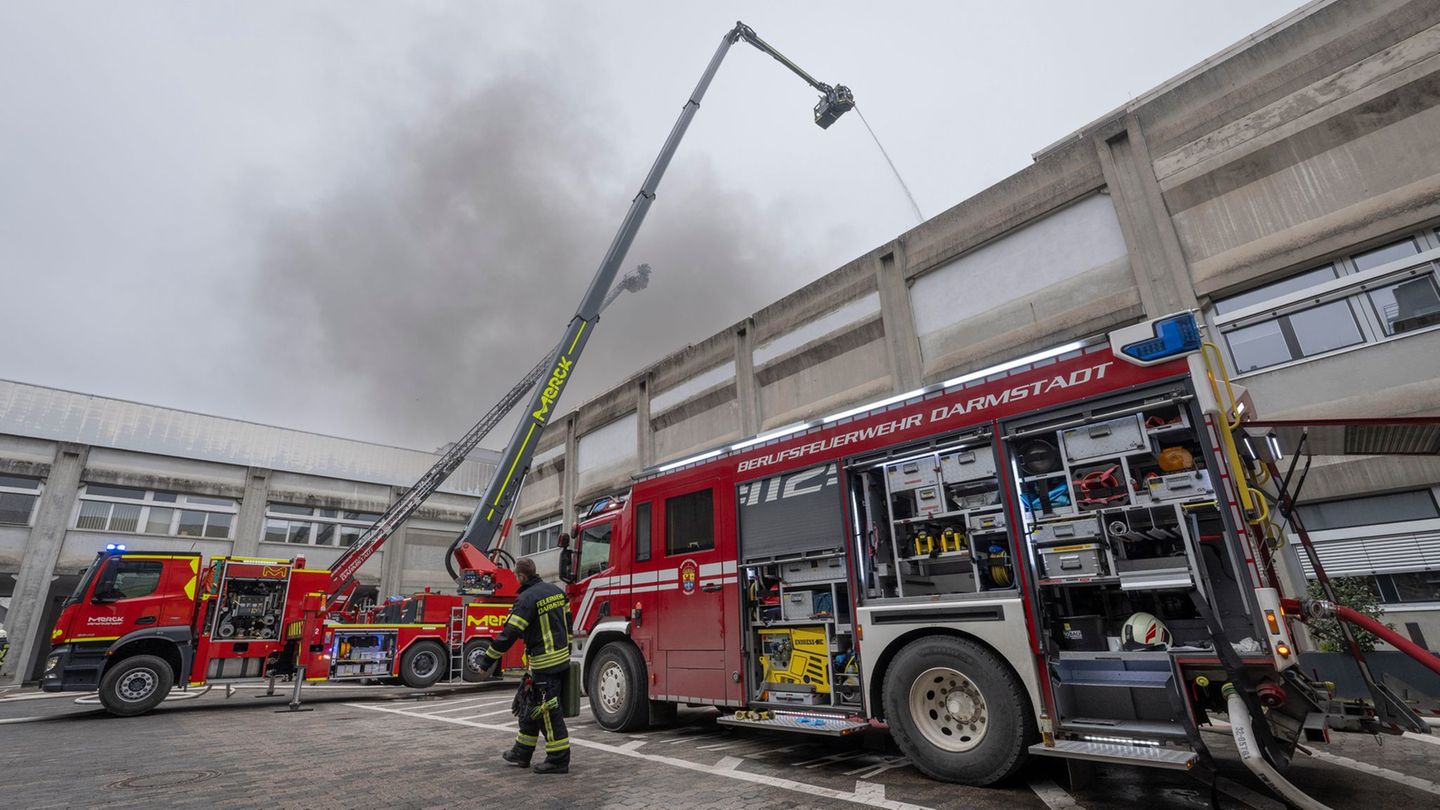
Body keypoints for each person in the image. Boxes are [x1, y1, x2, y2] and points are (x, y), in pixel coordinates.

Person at [480, 556, 573, 774]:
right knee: (529, 706)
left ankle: (558, 759)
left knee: (548, 712)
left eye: (516, 576)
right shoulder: (557, 592)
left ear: (521, 576)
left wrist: (487, 661)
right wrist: (566, 651)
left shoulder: (526, 599)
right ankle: (522, 751)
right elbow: (568, 624)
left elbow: (510, 633)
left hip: (544, 664)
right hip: (558, 660)